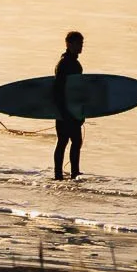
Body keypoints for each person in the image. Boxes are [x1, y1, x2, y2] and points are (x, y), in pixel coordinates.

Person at [53, 31, 85, 181]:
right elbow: (58, 89)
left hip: (72, 110)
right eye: (78, 43)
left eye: (82, 43)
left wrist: (80, 112)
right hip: (65, 109)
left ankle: (73, 173)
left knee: (73, 141)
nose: (81, 46)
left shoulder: (75, 63)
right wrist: (63, 111)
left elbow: (77, 90)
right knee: (64, 141)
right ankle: (60, 174)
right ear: (69, 44)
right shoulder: (65, 63)